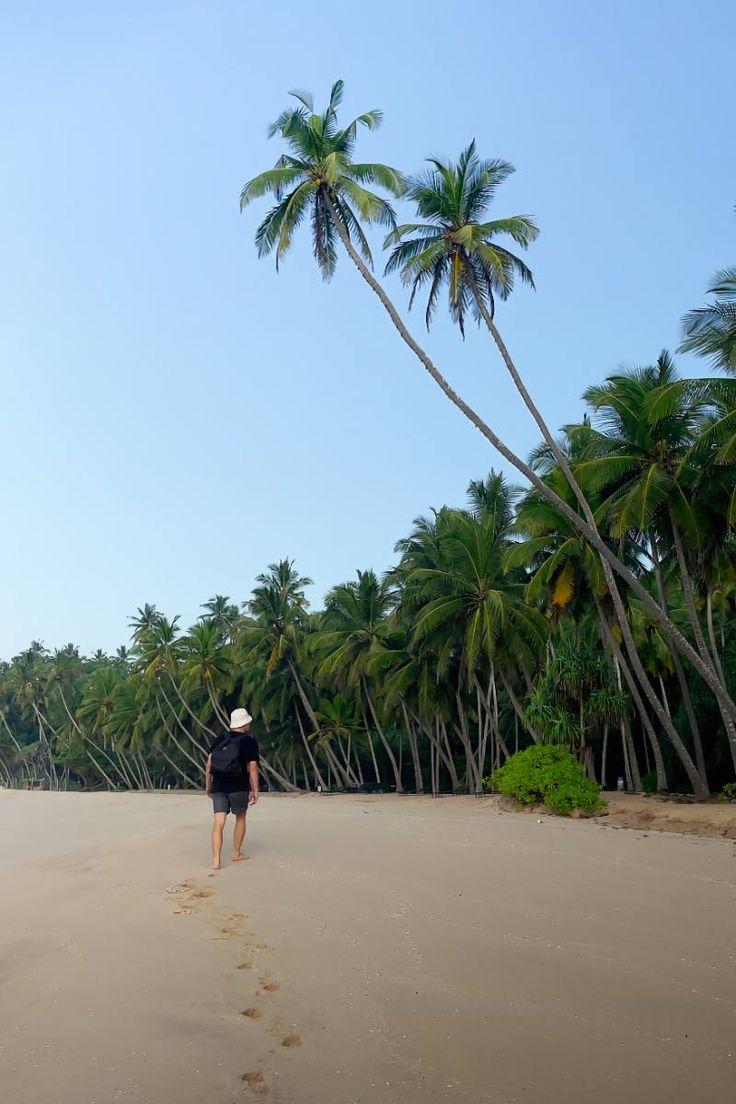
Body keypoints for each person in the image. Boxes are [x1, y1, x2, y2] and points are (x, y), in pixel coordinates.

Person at [204, 707, 260, 870]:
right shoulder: (248, 741)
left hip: (218, 786)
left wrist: (208, 785)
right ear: (245, 723)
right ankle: (236, 853)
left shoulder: (220, 738)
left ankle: (216, 861)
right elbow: (253, 766)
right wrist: (255, 789)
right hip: (238, 786)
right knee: (240, 817)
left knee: (218, 823)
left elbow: (209, 763)